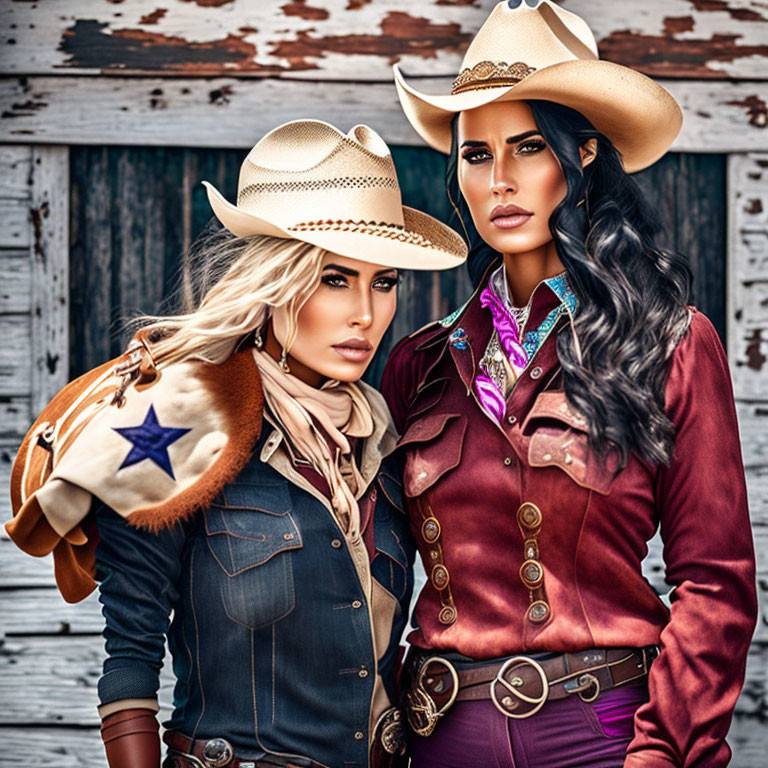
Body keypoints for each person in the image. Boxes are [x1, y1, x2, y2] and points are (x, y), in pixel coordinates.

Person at [6, 120, 467, 768]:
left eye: (383, 281)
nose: (365, 312)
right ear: (276, 281)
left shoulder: (386, 448)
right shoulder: (183, 432)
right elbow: (130, 664)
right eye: (335, 279)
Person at [381, 2, 757, 766]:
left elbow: (715, 585)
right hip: (441, 737)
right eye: (476, 154)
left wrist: (659, 755)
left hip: (605, 736)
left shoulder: (670, 342)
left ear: (582, 154)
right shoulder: (418, 364)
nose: (500, 180)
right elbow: (362, 574)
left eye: (528, 147)